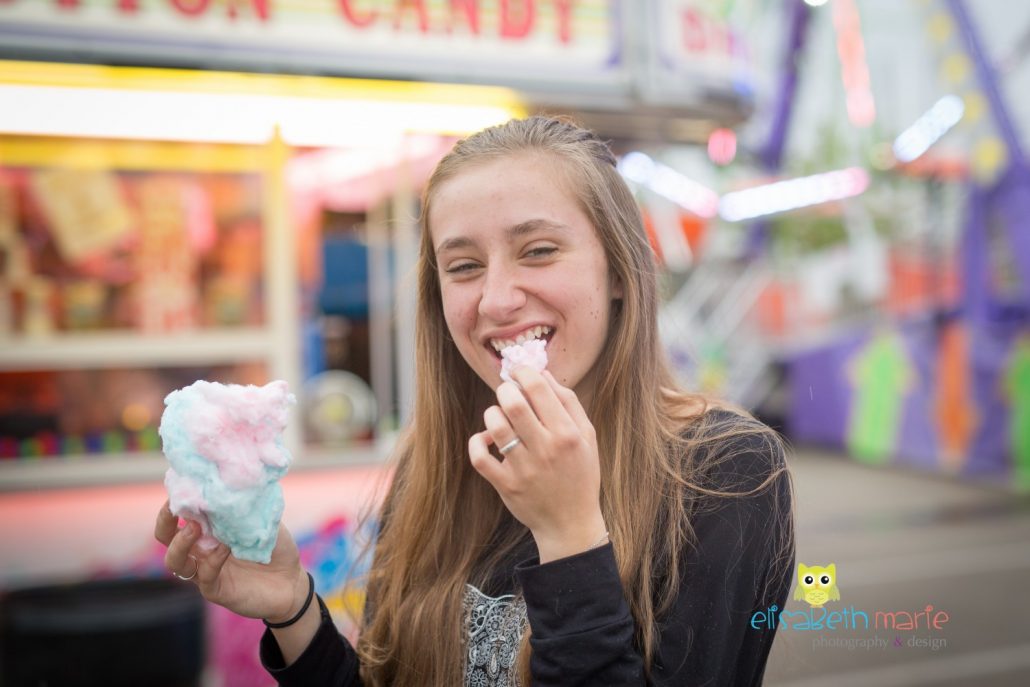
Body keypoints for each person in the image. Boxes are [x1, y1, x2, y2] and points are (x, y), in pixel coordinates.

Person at [155, 115, 795, 686]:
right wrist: (291, 608)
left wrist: (570, 534)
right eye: (462, 266)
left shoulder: (726, 469)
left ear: (621, 272)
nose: (495, 300)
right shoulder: (433, 467)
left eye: (538, 251)